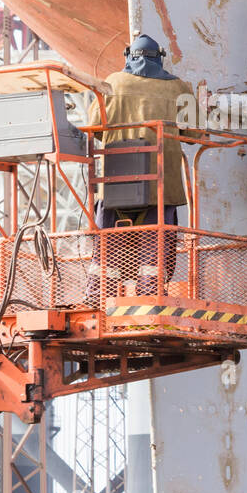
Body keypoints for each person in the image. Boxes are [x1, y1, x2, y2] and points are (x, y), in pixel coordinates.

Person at [86, 33, 193, 297]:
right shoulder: (178, 87)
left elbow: (94, 129)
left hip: (115, 184)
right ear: (160, 58)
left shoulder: (112, 83)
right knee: (155, 244)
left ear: (128, 56)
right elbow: (195, 134)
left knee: (107, 244)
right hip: (162, 186)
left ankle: (100, 292)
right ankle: (151, 291)